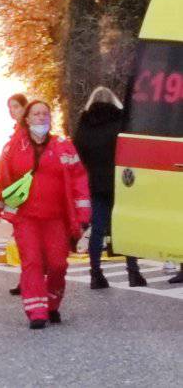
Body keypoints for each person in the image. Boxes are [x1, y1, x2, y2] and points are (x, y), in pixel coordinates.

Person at [0, 100, 91, 329]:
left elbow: (79, 179)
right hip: (27, 218)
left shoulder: (64, 147)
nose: (41, 118)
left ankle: (52, 303)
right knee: (32, 262)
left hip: (56, 218)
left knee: (57, 265)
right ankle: (37, 311)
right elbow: (2, 180)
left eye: (45, 114)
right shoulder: (13, 148)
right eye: (36, 114)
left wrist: (83, 212)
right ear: (27, 119)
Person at [73, 87, 148, 289]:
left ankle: (96, 273)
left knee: (97, 228)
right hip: (122, 182)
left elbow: (77, 155)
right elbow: (135, 150)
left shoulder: (84, 125)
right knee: (126, 226)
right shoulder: (122, 122)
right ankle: (133, 272)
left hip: (95, 183)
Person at [6, 93, 28, 296]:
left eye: (15, 107)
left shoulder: (28, 132)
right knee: (21, 236)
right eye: (10, 108)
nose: (12, 111)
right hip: (17, 189)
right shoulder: (17, 132)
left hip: (26, 189)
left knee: (26, 236)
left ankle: (29, 277)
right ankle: (26, 277)